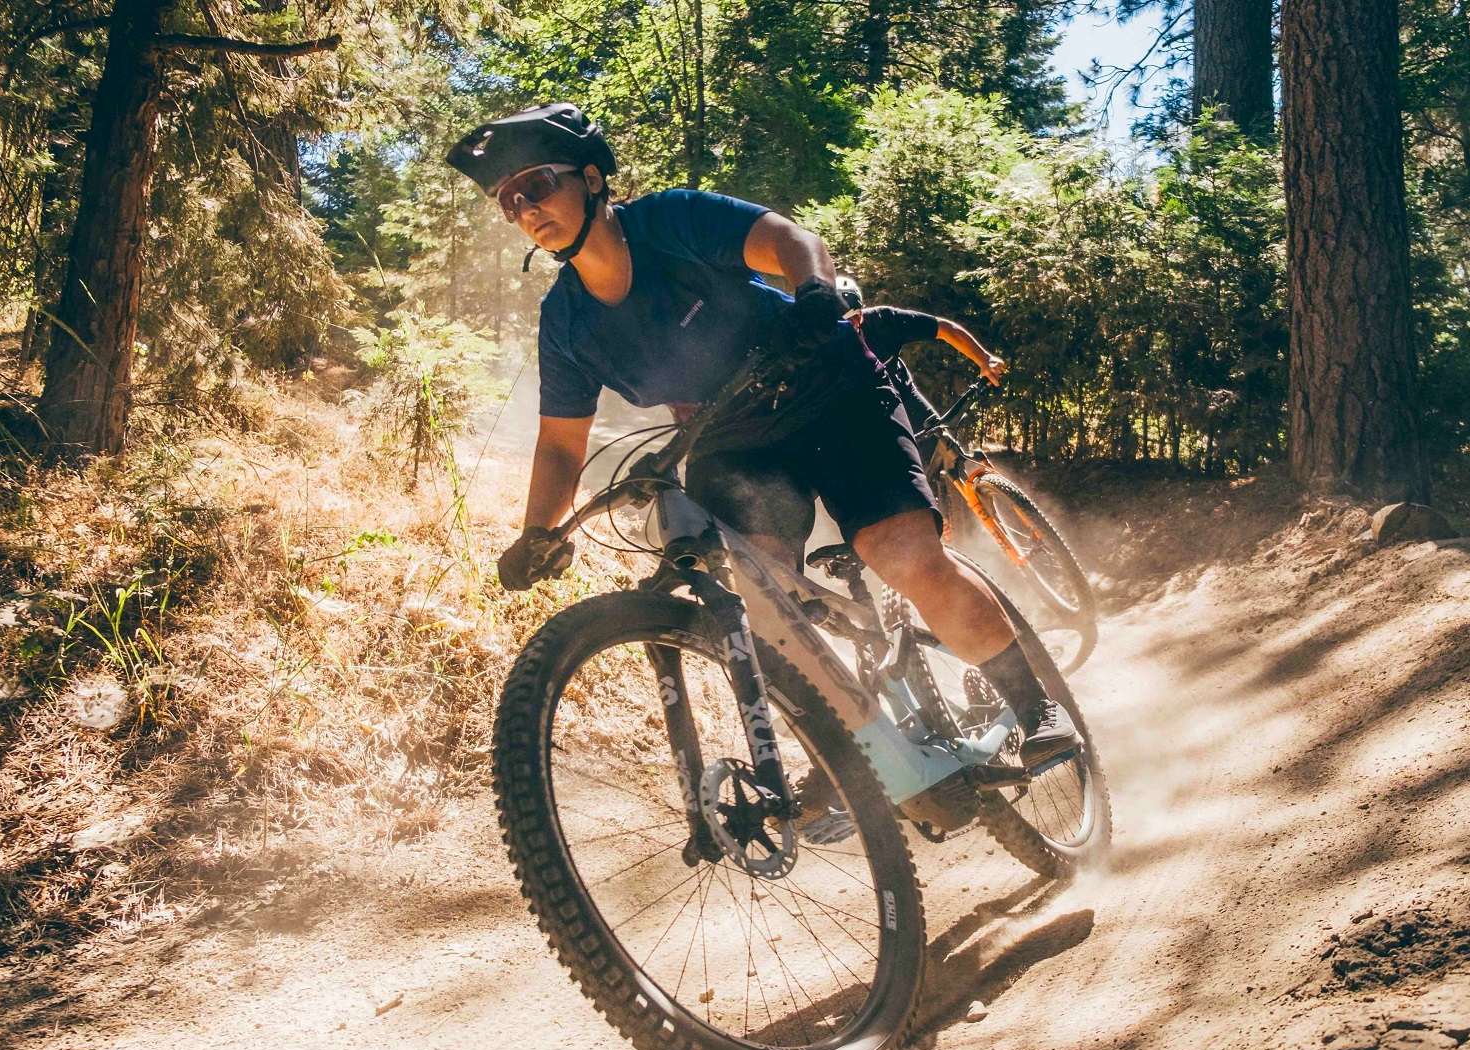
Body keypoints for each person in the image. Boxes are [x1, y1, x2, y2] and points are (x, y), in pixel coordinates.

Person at [445, 103, 1076, 768]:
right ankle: (862, 764)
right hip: (728, 439)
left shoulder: (668, 221)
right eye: (508, 200)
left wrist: (811, 294)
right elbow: (559, 445)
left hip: (829, 388)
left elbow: (791, 241)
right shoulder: (564, 321)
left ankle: (1037, 708)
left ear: (593, 178)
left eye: (537, 185)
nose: (523, 209)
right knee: (768, 610)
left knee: (900, 555)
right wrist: (537, 533)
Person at [834, 275, 1007, 438]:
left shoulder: (885, 321)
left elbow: (945, 329)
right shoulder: (819, 345)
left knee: (941, 443)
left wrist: (984, 359)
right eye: (842, 322)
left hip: (902, 394)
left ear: (862, 314)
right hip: (856, 408)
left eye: (855, 317)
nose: (851, 325)